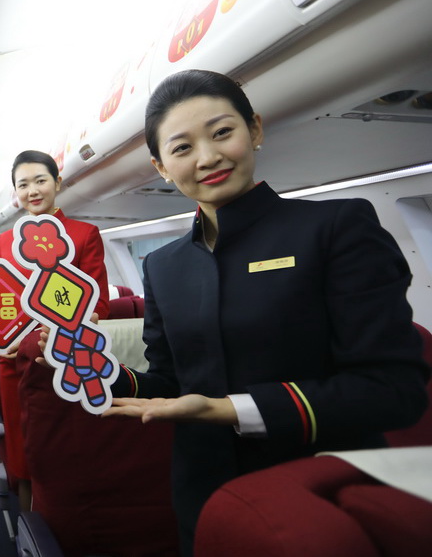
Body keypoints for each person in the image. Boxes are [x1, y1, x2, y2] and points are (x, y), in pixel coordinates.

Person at [101, 69, 430, 556]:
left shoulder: (336, 228)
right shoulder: (164, 265)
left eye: (221, 132)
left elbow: (393, 391)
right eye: (182, 148)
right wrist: (93, 369)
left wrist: (231, 409)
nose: (207, 157)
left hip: (318, 496)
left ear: (254, 129)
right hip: (204, 495)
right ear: (162, 167)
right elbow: (171, 381)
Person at [0, 150, 110, 512]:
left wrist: (52, 333)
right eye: (23, 184)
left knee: (59, 448)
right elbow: (1, 298)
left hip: (60, 360)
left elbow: (99, 305)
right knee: (21, 444)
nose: (32, 191)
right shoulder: (6, 241)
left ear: (57, 182)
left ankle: (62, 518)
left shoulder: (84, 234)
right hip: (12, 360)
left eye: (40, 180)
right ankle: (26, 520)